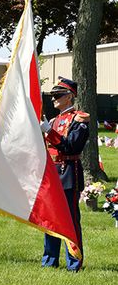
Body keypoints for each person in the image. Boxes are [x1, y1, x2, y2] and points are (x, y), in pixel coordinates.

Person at [40, 77, 89, 272]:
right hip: (52, 174)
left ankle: (74, 262)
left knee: (69, 219)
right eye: (52, 96)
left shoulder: (80, 119)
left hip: (68, 173)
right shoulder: (53, 120)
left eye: (58, 95)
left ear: (69, 96)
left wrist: (49, 132)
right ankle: (50, 260)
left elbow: (71, 146)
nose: (53, 99)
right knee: (50, 218)